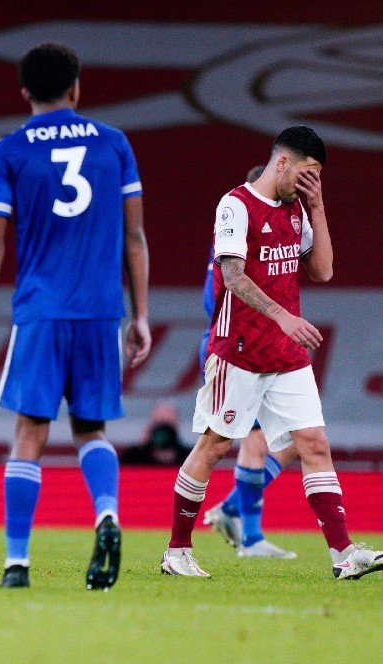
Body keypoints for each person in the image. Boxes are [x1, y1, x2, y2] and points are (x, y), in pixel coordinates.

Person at [0, 43, 151, 590]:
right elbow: (134, 237)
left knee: (30, 432)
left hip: (42, 310)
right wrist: (140, 315)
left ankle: (17, 563)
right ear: (77, 86)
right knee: (92, 429)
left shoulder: (9, 151)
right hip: (100, 310)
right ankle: (108, 513)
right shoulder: (115, 145)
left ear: (24, 91)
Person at [161, 126, 383, 580]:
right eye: (307, 174)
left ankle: (343, 554)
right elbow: (233, 277)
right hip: (238, 350)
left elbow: (322, 270)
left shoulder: (298, 210)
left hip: (287, 355)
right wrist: (282, 316)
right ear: (282, 162)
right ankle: (177, 551)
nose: (309, 184)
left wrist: (318, 208)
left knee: (314, 445)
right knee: (215, 446)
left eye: (317, 178)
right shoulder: (235, 205)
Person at [199, 165, 296, 559]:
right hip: (235, 349)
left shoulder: (274, 239)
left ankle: (239, 519)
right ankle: (243, 530)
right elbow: (211, 298)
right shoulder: (235, 234)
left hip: (262, 348)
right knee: (239, 443)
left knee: (288, 441)